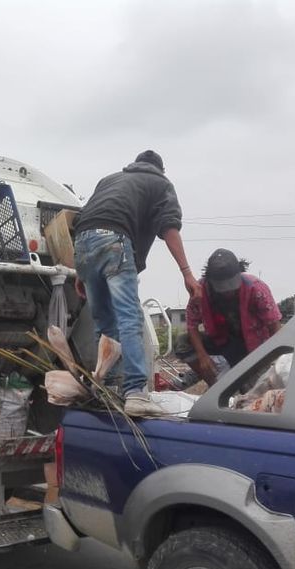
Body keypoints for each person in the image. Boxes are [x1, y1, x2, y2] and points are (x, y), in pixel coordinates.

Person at [73, 150, 201, 416]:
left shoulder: (109, 180)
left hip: (83, 243)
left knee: (104, 323)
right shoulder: (160, 183)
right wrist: (187, 273)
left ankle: (108, 387)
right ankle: (135, 393)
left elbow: (85, 220)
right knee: (129, 318)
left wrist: (81, 271)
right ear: (160, 169)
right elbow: (169, 227)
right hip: (114, 241)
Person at [176, 248, 282, 385]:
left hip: (253, 348)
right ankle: (215, 386)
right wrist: (202, 356)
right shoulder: (200, 290)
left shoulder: (256, 288)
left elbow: (275, 326)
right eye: (222, 288)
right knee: (182, 342)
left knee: (248, 389)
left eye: (231, 287)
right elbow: (192, 325)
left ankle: (239, 384)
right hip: (221, 342)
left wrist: (275, 361)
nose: (228, 292)